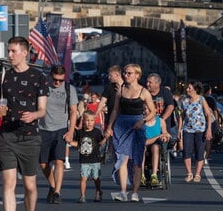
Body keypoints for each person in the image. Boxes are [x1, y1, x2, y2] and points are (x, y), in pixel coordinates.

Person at [0, 37, 47, 211]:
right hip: (7, 136)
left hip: (29, 136)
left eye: (13, 51)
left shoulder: (38, 77)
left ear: (25, 53)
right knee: (8, 183)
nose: (10, 55)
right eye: (9, 51)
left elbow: (42, 109)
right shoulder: (3, 76)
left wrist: (34, 115)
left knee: (30, 186)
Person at [103, 63, 156, 202]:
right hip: (122, 125)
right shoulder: (121, 90)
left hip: (137, 125)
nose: (126, 75)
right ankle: (122, 191)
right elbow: (115, 110)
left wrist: (143, 121)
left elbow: (153, 112)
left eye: (129, 73)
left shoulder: (144, 92)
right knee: (122, 158)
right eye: (125, 73)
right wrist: (109, 126)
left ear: (137, 75)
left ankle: (134, 192)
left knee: (137, 161)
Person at [39, 65, 78, 205]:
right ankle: (52, 185)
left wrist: (71, 131)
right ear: (50, 76)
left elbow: (73, 111)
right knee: (43, 163)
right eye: (55, 79)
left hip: (61, 128)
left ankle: (57, 192)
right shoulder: (43, 86)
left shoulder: (69, 89)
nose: (57, 83)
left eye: (61, 80)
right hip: (43, 128)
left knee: (59, 160)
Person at [178, 81, 214, 182]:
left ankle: (197, 174)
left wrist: (209, 129)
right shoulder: (184, 100)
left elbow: (208, 115)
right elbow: (181, 116)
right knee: (186, 151)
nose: (187, 90)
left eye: (190, 88)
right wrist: (179, 130)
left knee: (199, 152)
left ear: (195, 89)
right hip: (187, 129)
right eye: (187, 88)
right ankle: (189, 173)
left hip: (200, 130)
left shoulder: (201, 99)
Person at [70, 111, 106, 203]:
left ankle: (98, 191)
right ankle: (82, 196)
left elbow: (100, 143)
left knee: (96, 178)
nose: (89, 122)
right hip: (84, 160)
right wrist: (69, 141)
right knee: (83, 178)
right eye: (87, 120)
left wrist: (106, 137)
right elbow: (77, 144)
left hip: (95, 160)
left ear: (94, 121)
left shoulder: (97, 132)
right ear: (83, 121)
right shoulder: (80, 133)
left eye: (91, 120)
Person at [142, 107, 170, 186]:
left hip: (156, 145)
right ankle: (142, 175)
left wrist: (165, 137)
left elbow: (165, 133)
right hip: (145, 144)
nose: (146, 111)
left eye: (149, 109)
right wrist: (158, 136)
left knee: (155, 147)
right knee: (142, 148)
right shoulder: (141, 122)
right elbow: (144, 142)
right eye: (145, 109)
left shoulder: (160, 121)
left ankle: (154, 175)